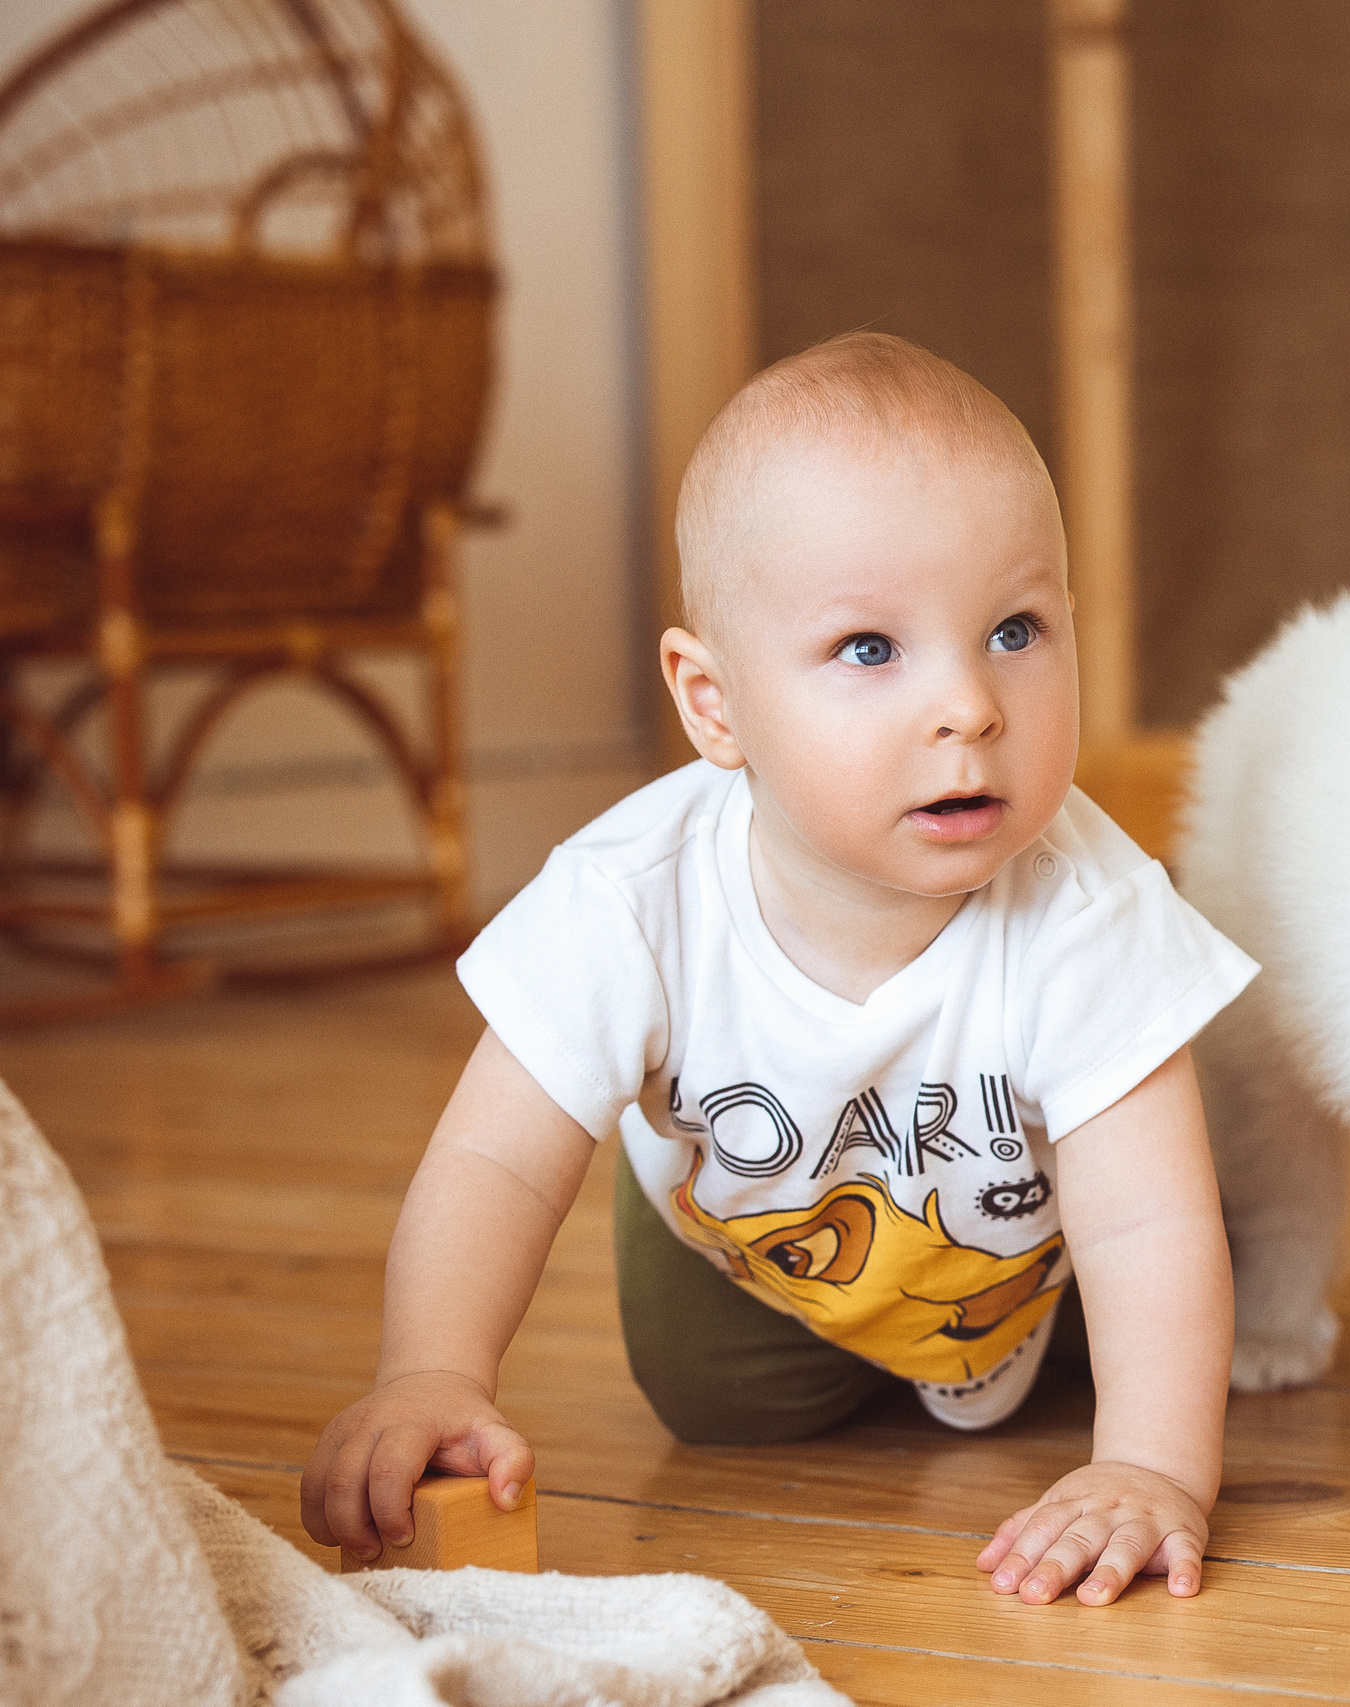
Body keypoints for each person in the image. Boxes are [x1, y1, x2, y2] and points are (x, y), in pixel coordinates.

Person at [299, 333, 1255, 1607]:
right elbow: (494, 1158)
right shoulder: (631, 896)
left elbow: (1141, 1220)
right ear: (715, 704)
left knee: (1167, 1266)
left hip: (1035, 1258)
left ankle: (1120, 1360)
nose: (970, 706)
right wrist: (431, 1369)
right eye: (871, 649)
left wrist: (1152, 1466)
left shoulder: (1090, 909)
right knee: (719, 1406)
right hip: (749, 1234)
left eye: (1015, 629)